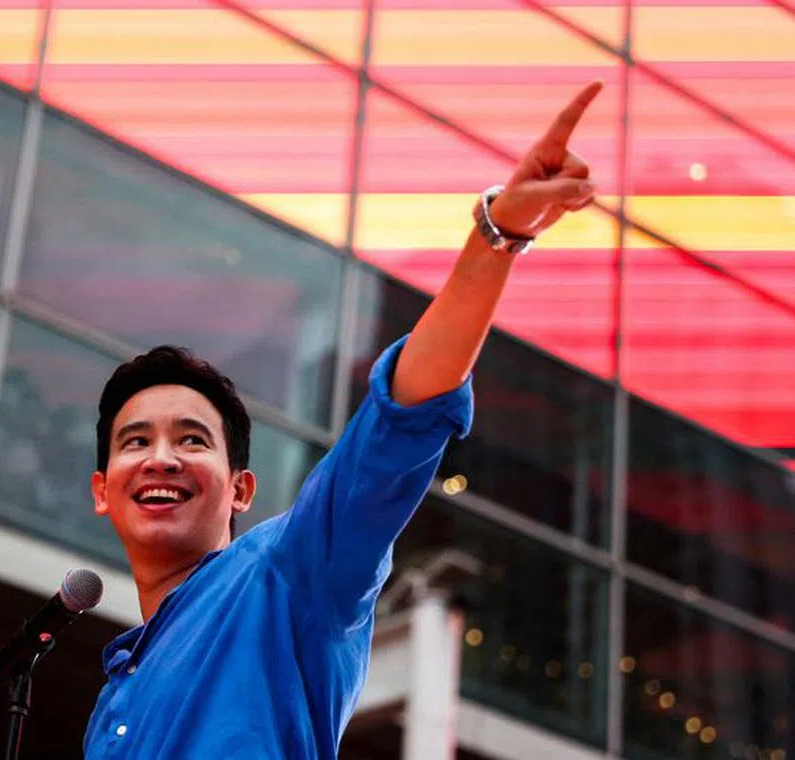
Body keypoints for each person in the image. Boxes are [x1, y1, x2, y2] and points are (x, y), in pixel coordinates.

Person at [84, 81, 604, 759]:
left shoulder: (288, 572)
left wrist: (496, 237)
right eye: (136, 442)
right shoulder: (115, 691)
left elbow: (397, 429)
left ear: (241, 488)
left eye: (192, 439)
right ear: (102, 489)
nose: (161, 457)